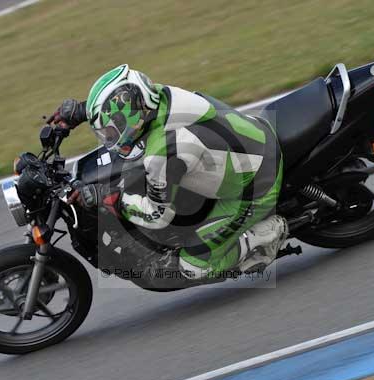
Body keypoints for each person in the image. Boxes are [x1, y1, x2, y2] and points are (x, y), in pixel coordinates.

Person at [51, 64, 288, 279]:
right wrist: (83, 111)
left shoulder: (162, 152)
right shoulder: (158, 96)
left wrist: (112, 198)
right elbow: (123, 99)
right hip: (251, 142)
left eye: (112, 130)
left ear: (131, 119)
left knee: (192, 267)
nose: (109, 137)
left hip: (256, 186)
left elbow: (157, 215)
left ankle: (261, 238)